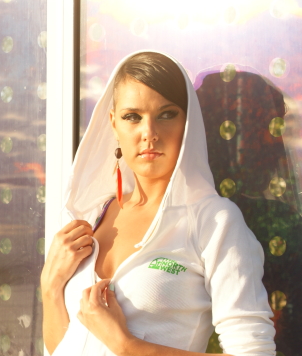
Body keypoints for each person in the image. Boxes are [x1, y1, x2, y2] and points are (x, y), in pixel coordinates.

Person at [41, 51, 276, 356]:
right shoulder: (91, 217)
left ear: (188, 123)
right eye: (132, 116)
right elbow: (64, 348)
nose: (148, 133)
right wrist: (50, 288)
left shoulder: (214, 222)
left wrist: (126, 346)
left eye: (166, 114)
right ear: (113, 124)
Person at [196, 70, 302, 355]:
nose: (276, 147)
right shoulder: (276, 223)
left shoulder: (280, 224)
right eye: (262, 129)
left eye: (277, 132)